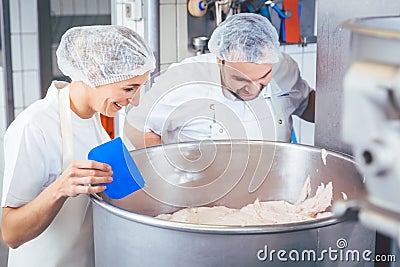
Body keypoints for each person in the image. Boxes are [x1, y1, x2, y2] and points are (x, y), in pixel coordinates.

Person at [1, 25, 155, 266]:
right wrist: (60, 188)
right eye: (129, 88)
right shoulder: (34, 127)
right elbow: (11, 233)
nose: (134, 100)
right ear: (94, 75)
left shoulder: (96, 122)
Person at [124, 13, 315, 148]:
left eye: (263, 77)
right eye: (241, 79)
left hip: (274, 186)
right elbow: (136, 125)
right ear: (219, 60)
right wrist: (168, 170)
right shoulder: (184, 79)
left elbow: (306, 105)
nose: (253, 89)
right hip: (203, 192)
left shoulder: (285, 69)